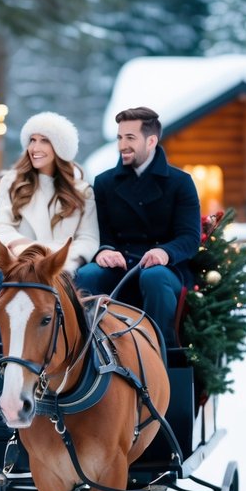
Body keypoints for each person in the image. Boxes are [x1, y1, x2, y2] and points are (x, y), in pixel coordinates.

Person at [0, 111, 99, 346]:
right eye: (32, 139)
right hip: (13, 258)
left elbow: (88, 239)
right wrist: (24, 247)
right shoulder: (13, 182)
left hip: (59, 264)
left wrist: (62, 260)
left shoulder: (83, 191)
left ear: (60, 147)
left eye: (44, 140)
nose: (35, 147)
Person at [75, 106, 200, 347]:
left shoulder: (180, 183)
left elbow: (190, 236)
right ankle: (85, 354)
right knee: (87, 275)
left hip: (165, 269)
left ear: (151, 140)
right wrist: (104, 250)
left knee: (154, 278)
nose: (122, 145)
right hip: (119, 265)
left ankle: (161, 353)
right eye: (120, 137)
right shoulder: (104, 182)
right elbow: (99, 231)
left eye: (130, 138)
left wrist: (165, 252)